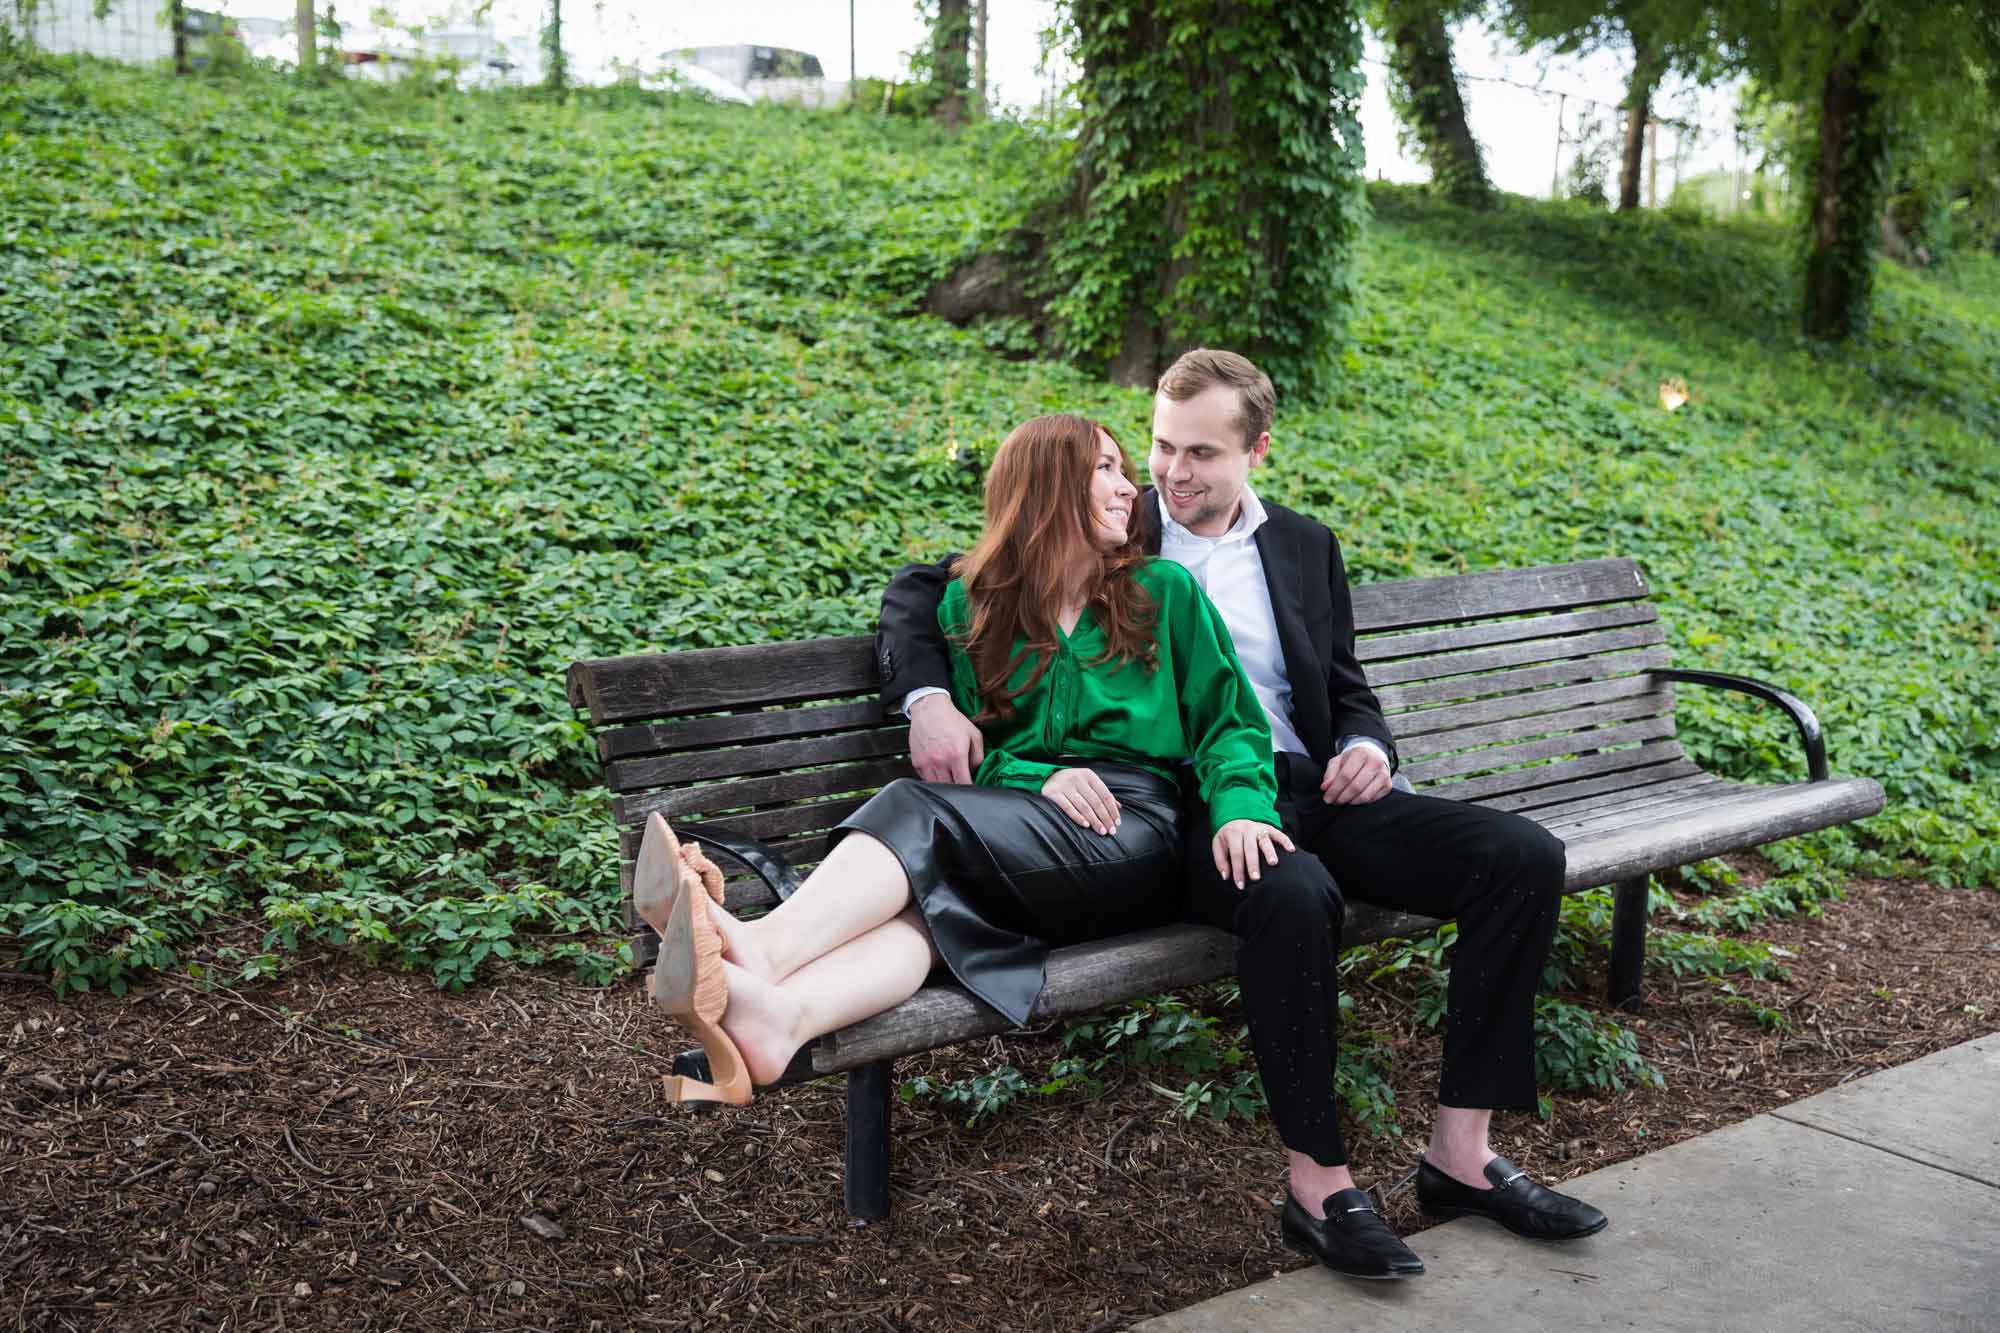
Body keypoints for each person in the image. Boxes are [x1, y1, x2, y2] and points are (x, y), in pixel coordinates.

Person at [877, 349, 1608, 1281]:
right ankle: (1320, 1185)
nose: (1173, 474)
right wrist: (928, 702)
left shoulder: (1303, 546)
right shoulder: (1110, 516)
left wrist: (1367, 747)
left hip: (1304, 786)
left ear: (1257, 450)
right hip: (1172, 807)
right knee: (1291, 894)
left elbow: (1346, 687)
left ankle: (1460, 1155)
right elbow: (931, 588)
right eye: (1161, 448)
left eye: (1203, 454)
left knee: (1521, 857)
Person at [639, 412, 1293, 1115]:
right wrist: (1041, 776)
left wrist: (1244, 808)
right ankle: (780, 1019)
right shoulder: (973, 608)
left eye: (1123, 470)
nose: (1129, 487)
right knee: (933, 912)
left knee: (914, 806)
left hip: (1132, 831)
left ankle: (761, 949)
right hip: (1024, 834)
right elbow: (983, 758)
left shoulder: (1161, 591)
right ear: (1045, 485)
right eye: (1104, 468)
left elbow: (1231, 722)